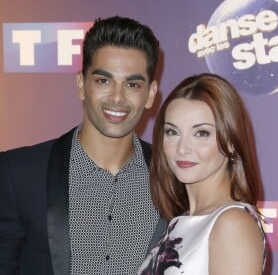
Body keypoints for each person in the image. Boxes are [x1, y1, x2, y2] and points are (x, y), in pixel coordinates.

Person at [0, 16, 167, 275]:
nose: (117, 97)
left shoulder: (172, 178)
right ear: (81, 84)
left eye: (132, 84)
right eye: (103, 80)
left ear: (151, 94)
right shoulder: (18, 173)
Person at [138, 73, 267, 275]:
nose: (182, 148)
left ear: (231, 141)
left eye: (201, 133)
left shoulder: (232, 224)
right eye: (172, 132)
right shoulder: (180, 222)